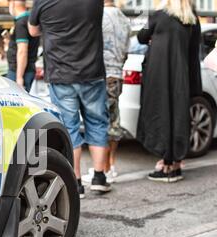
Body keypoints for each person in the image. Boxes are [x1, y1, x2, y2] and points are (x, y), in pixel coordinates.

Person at [29, 0, 111, 198]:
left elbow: (32, 31)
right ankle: (99, 178)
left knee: (69, 127)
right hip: (92, 72)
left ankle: (76, 182)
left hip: (60, 74)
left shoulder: (43, 1)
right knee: (98, 122)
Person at [137, 0, 202, 182]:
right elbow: (194, 53)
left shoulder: (158, 15)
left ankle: (165, 166)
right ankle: (175, 164)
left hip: (160, 76)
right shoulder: (192, 19)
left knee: (161, 114)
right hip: (182, 77)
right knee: (178, 117)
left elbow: (141, 37)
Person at [83, 0, 131, 184]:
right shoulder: (124, 19)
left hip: (101, 74)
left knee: (99, 122)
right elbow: (126, 50)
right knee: (113, 120)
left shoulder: (99, 15)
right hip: (118, 74)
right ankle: (110, 165)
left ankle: (102, 169)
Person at [7, 0, 39, 92]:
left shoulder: (21, 22)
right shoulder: (29, 20)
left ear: (12, 3)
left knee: (15, 104)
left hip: (19, 71)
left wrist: (19, 77)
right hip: (27, 69)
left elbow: (22, 51)